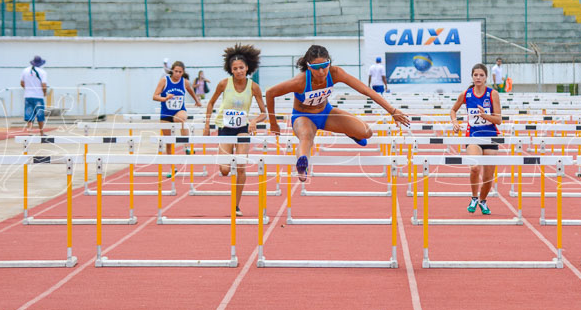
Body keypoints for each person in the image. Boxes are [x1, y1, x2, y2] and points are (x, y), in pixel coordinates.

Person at [266, 44, 410, 181]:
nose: (321, 72)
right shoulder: (299, 82)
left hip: (326, 113)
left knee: (367, 133)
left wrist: (392, 110)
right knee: (306, 137)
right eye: (316, 68)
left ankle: (351, 132)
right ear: (308, 67)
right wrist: (273, 123)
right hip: (303, 117)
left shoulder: (335, 73)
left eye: (324, 66)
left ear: (329, 63)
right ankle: (302, 164)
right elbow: (270, 93)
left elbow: (365, 90)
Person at [202, 45, 267, 216]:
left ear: (247, 68)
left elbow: (264, 113)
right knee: (224, 170)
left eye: (241, 68)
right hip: (225, 127)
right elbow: (210, 103)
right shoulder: (224, 84)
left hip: (242, 129)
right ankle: (228, 158)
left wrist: (254, 121)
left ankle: (236, 205)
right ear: (230, 70)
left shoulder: (254, 87)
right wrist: (207, 125)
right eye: (235, 68)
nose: (239, 71)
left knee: (241, 168)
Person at [450, 64, 503, 215]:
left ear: (486, 77)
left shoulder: (492, 94)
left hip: (491, 137)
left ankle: (483, 200)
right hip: (473, 136)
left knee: (488, 176)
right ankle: (474, 197)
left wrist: (485, 116)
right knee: (474, 167)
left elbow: (498, 120)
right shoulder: (466, 94)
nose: (478, 78)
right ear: (472, 77)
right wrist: (455, 122)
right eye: (475, 75)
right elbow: (453, 110)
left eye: (481, 75)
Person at [152, 60, 201, 157]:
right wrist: (165, 98)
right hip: (166, 113)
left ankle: (186, 146)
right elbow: (155, 96)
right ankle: (172, 167)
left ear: (183, 72)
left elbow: (191, 91)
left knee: (182, 118)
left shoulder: (185, 82)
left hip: (179, 110)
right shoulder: (164, 81)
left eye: (180, 72)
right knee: (169, 142)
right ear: (172, 71)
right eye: (176, 71)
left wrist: (197, 100)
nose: (178, 74)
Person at [20, 55, 49, 135]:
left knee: (29, 114)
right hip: (38, 96)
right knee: (40, 115)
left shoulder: (25, 70)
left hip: (28, 96)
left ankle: (29, 132)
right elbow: (44, 85)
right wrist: (44, 93)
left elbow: (22, 83)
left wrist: (28, 89)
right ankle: (41, 132)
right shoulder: (43, 72)